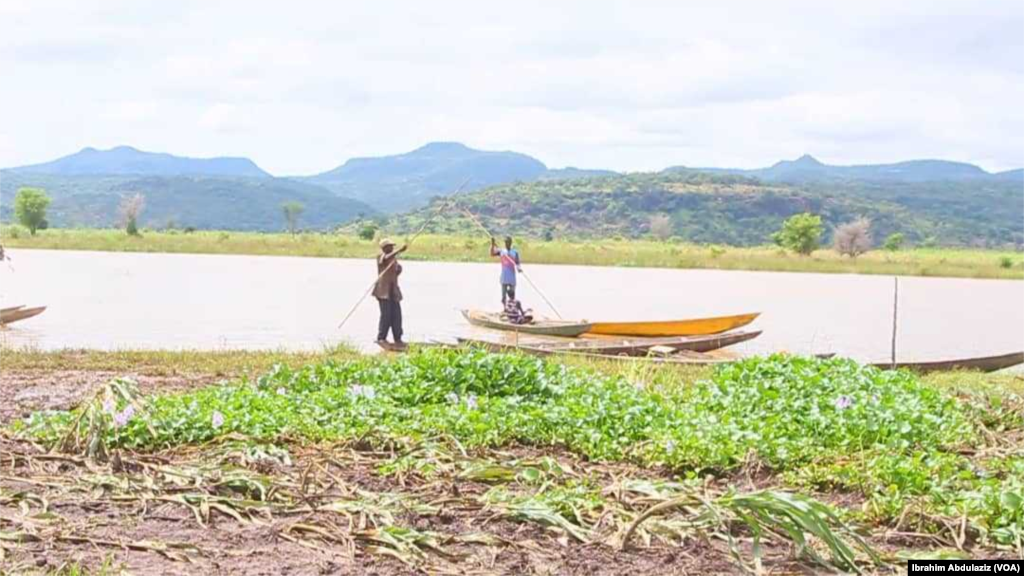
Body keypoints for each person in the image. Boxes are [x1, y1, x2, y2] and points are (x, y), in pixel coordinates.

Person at [373, 238, 407, 346]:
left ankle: (398, 338)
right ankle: (381, 338)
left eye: (392, 246)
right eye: (390, 246)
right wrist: (399, 250)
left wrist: (399, 270)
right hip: (383, 292)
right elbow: (384, 259)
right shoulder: (381, 256)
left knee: (397, 315)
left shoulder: (393, 259)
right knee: (386, 315)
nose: (392, 248)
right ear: (384, 248)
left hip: (393, 291)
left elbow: (395, 273)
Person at [490, 235, 522, 305]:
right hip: (504, 277)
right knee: (503, 297)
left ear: (511, 242)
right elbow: (492, 254)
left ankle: (512, 308)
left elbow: (517, 263)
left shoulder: (515, 252)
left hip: (511, 277)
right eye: (506, 242)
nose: (507, 243)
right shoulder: (502, 251)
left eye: (508, 242)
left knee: (512, 296)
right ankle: (505, 308)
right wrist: (492, 244)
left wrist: (519, 269)